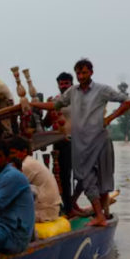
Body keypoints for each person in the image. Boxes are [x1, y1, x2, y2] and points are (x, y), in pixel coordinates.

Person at [33, 59, 130, 227]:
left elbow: (128, 101)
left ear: (91, 72)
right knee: (85, 178)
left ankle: (102, 214)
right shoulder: (72, 92)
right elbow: (55, 105)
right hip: (81, 142)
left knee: (103, 178)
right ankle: (98, 214)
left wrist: (109, 118)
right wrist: (32, 103)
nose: (81, 76)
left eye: (84, 73)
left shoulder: (102, 90)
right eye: (78, 73)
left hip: (100, 139)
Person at [7, 135, 62, 223]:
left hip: (45, 213)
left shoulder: (26, 165)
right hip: (50, 210)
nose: (10, 157)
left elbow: (10, 189)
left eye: (13, 153)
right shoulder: (29, 162)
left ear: (24, 152)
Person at [42, 72, 76, 211]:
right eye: (61, 84)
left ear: (71, 84)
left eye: (66, 83)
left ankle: (73, 203)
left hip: (79, 140)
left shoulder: (79, 99)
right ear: (58, 85)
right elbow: (46, 123)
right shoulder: (55, 101)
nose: (63, 86)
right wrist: (50, 111)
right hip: (61, 141)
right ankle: (65, 206)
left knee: (82, 176)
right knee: (61, 175)